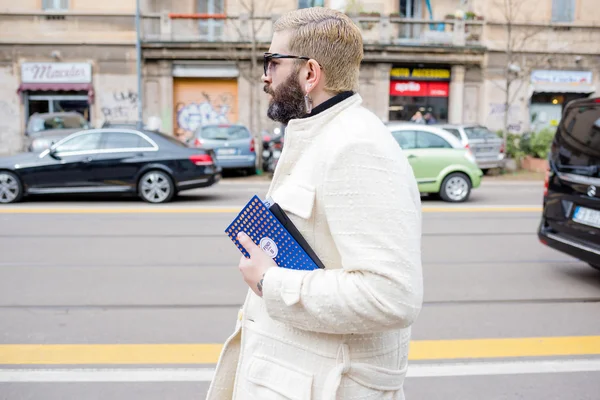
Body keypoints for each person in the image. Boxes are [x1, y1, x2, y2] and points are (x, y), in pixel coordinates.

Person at [206, 7, 423, 400]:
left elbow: (391, 296)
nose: (264, 75)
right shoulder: (319, 133)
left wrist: (270, 282)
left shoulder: (355, 146)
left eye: (273, 62)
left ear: (310, 73)